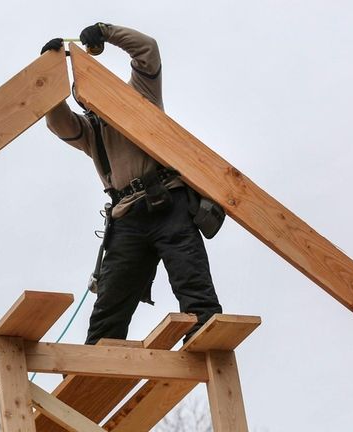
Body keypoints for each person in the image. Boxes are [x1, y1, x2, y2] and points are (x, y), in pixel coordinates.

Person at [42, 23, 222, 344]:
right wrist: (51, 71)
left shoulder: (141, 95)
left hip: (168, 203)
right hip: (127, 220)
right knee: (110, 303)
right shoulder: (91, 131)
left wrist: (105, 32)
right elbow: (57, 120)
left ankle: (204, 333)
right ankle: (97, 360)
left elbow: (146, 49)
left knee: (191, 279)